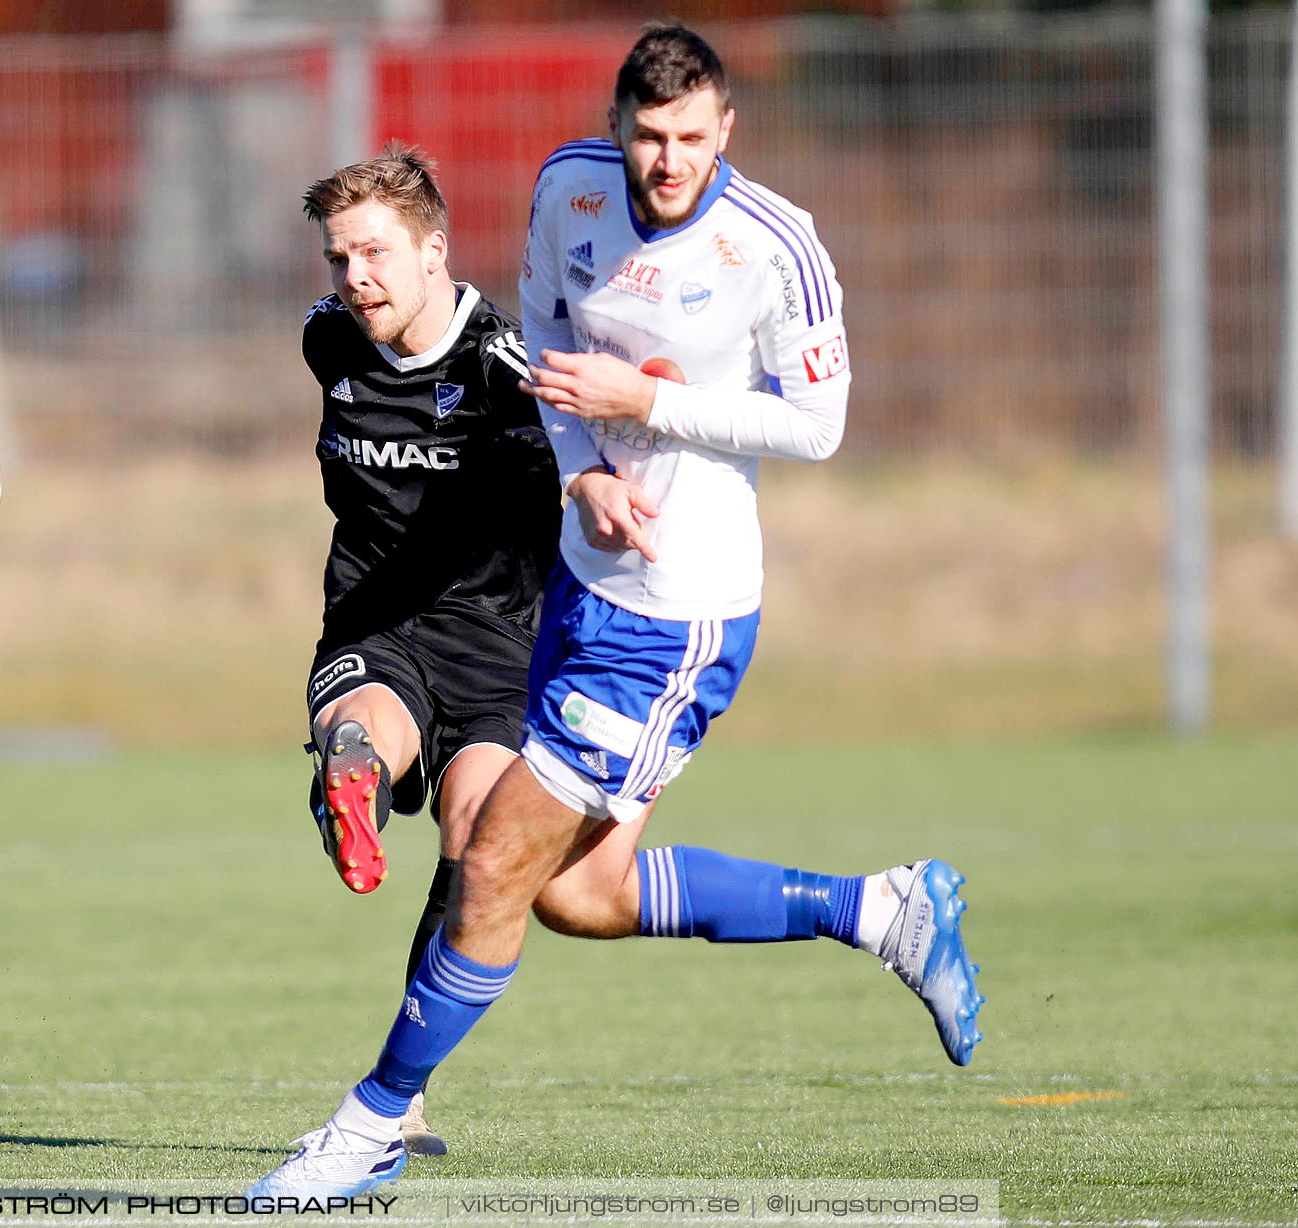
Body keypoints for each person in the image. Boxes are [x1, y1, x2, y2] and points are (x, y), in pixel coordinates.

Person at [249, 24, 984, 1200]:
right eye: (649, 136)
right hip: (582, 594)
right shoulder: (567, 190)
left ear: (725, 130)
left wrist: (647, 399)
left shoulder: (775, 246)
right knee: (577, 894)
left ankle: (372, 1120)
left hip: (677, 616)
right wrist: (586, 466)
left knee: (489, 861)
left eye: (693, 137)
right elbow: (545, 338)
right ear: (617, 126)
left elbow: (820, 424)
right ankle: (884, 911)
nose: (669, 160)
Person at [295, 145, 562, 1155]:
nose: (352, 278)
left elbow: (586, 467)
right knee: (364, 729)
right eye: (336, 258)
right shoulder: (330, 342)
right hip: (371, 620)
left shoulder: (506, 370)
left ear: (434, 250)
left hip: (498, 642)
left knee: (479, 849)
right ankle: (350, 776)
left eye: (373, 253)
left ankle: (402, 1090)